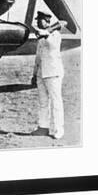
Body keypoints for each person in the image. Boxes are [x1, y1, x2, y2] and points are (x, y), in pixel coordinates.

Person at [31, 11, 67, 140]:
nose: (39, 22)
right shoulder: (42, 36)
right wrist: (34, 74)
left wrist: (46, 33)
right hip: (42, 73)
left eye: (41, 20)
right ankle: (43, 127)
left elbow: (51, 44)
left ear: (47, 21)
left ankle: (59, 129)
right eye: (38, 20)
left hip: (53, 73)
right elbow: (38, 57)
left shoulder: (55, 34)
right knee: (43, 102)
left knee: (56, 101)